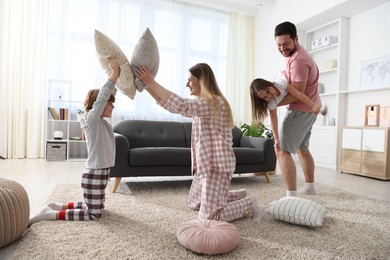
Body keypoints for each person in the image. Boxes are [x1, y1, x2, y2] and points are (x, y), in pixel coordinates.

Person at [135, 63, 261, 221]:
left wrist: (152, 82)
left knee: (211, 217)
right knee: (195, 203)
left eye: (190, 80)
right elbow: (173, 107)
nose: (187, 84)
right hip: (204, 164)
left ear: (202, 80)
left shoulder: (214, 103)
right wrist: (147, 86)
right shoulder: (202, 104)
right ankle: (234, 195)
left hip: (216, 167)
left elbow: (182, 104)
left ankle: (248, 204)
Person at [29, 60, 119, 224]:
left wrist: (116, 77)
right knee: (93, 214)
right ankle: (49, 214)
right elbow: (103, 95)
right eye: (110, 103)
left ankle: (57, 206)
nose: (113, 107)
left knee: (95, 207)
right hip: (95, 174)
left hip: (100, 172)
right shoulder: (92, 120)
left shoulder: (100, 122)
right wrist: (114, 75)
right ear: (98, 105)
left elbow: (108, 93)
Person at [273, 21, 322, 197]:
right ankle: (309, 188)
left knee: (282, 150)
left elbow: (297, 93)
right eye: (279, 45)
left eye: (286, 44)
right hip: (310, 109)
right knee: (303, 148)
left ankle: (290, 196)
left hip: (300, 110)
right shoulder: (295, 56)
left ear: (296, 39)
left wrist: (272, 102)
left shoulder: (299, 61)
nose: (282, 48)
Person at [250, 72, 321, 152]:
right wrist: (276, 139)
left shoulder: (280, 82)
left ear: (269, 84)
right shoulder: (271, 103)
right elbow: (273, 119)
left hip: (288, 76)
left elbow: (297, 94)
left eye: (268, 91)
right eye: (265, 97)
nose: (269, 96)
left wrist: (312, 105)